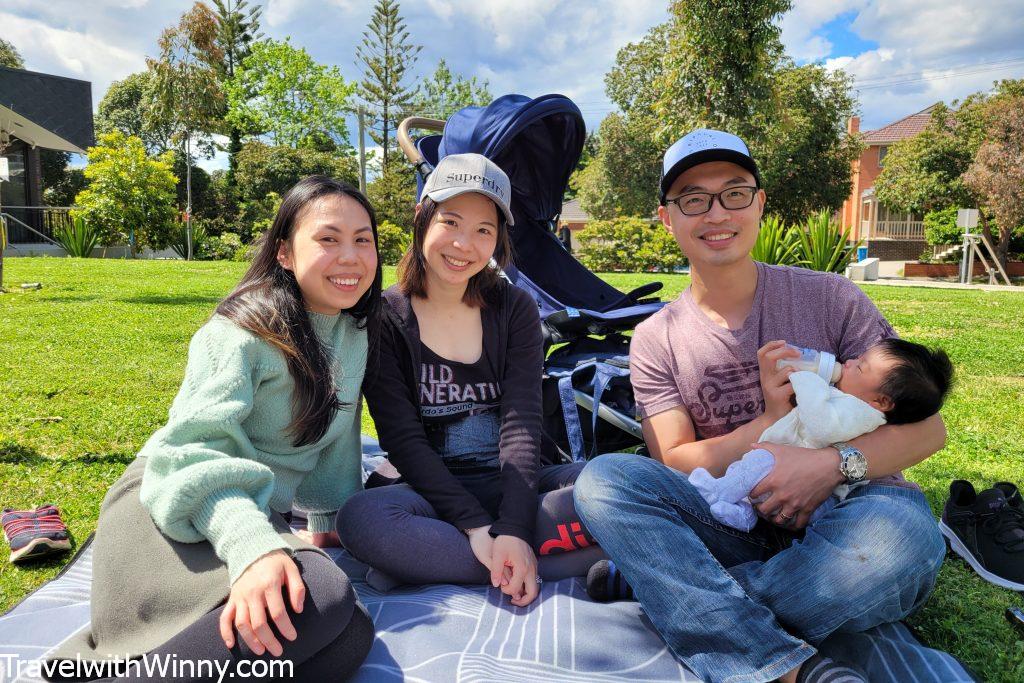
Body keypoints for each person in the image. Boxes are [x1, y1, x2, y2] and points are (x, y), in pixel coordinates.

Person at [573, 130, 948, 683]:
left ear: (759, 203)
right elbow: (675, 462)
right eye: (693, 199)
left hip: (852, 511)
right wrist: (770, 422)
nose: (716, 213)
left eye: (734, 193)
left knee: (900, 541)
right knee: (604, 480)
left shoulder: (831, 297)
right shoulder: (657, 337)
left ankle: (678, 595)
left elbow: (928, 431)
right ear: (667, 218)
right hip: (730, 520)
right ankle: (772, 652)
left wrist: (829, 465)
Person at [46, 176, 382, 682]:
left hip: (243, 513)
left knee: (351, 635)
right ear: (285, 253)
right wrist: (254, 548)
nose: (351, 256)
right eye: (328, 239)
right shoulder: (237, 335)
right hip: (174, 506)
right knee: (321, 598)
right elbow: (191, 453)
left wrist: (327, 521)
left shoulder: (352, 332)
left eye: (364, 240)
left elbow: (335, 432)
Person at [337, 153, 603, 607]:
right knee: (362, 519)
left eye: (484, 230)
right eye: (451, 222)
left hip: (522, 486)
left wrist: (515, 528)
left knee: (617, 482)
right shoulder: (385, 317)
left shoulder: (514, 308)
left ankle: (455, 562)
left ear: (499, 240)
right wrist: (478, 527)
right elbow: (402, 440)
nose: (464, 244)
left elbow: (521, 425)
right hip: (434, 496)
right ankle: (559, 560)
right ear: (422, 218)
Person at [691, 338, 954, 531]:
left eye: (860, 367)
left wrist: (806, 378)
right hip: (782, 491)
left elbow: (822, 425)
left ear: (882, 402)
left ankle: (716, 493)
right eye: (858, 358)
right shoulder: (851, 401)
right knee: (750, 463)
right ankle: (741, 515)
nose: (848, 362)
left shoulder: (861, 412)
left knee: (759, 462)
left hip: (810, 495)